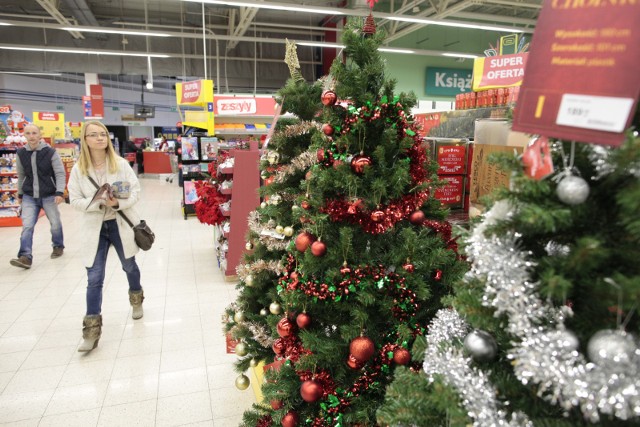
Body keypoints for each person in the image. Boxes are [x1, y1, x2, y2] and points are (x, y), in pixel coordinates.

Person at [67, 120, 145, 352]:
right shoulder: (78, 170)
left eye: (103, 134)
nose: (100, 138)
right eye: (94, 135)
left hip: (119, 223)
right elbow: (74, 200)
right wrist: (98, 204)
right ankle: (91, 329)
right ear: (85, 140)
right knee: (94, 277)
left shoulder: (120, 164)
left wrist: (117, 203)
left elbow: (135, 191)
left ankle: (136, 298)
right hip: (95, 227)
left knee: (129, 265)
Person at [10, 124, 66, 269]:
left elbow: (60, 173)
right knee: (27, 226)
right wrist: (20, 193)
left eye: (34, 133)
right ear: (25, 135)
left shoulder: (50, 152)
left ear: (40, 135)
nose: (32, 136)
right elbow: (21, 175)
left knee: (55, 223)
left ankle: (58, 245)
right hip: (29, 195)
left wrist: (59, 192)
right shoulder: (21, 153)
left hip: (49, 195)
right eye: (28, 133)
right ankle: (25, 256)